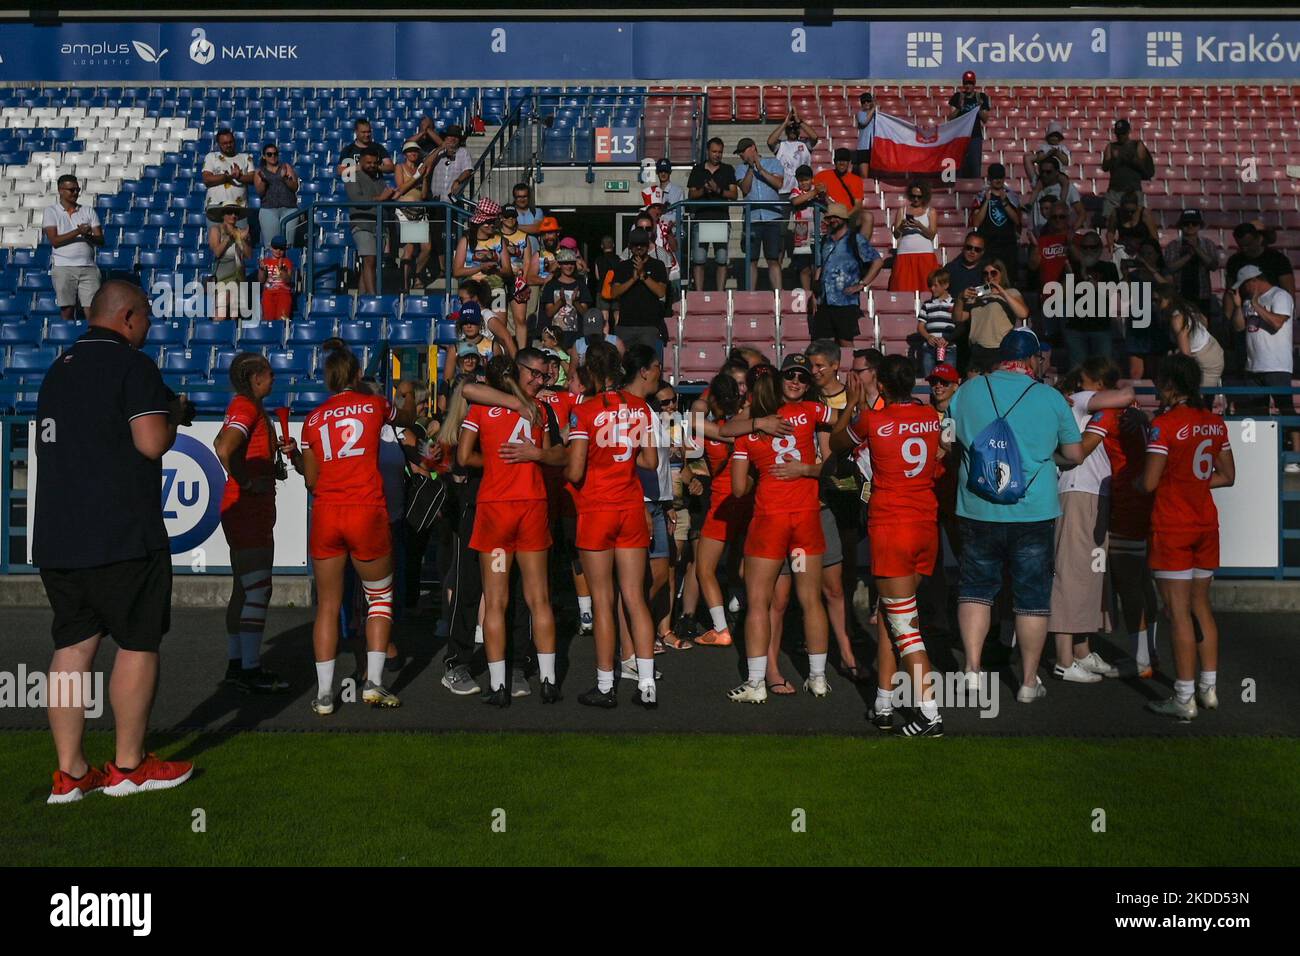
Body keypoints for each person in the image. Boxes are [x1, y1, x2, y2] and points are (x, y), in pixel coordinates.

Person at [34, 280, 196, 802]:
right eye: (145, 316)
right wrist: (172, 416)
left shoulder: (56, 370)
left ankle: (71, 773)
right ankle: (128, 766)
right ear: (126, 317)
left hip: (59, 536)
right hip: (123, 532)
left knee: (71, 649)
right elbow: (151, 444)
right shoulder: (133, 366)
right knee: (137, 641)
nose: (148, 325)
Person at [945, 327, 1083, 704]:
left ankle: (972, 671)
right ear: (1033, 359)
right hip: (1032, 510)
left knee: (975, 590)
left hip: (977, 507)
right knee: (1032, 597)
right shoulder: (1050, 398)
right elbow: (1073, 454)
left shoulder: (968, 390)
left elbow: (948, 439)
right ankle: (1026, 680)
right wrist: (1041, 459)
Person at [832, 354, 946, 736]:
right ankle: (884, 699)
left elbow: (835, 443)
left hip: (892, 525)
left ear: (881, 384)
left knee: (903, 624)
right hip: (925, 523)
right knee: (890, 613)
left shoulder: (873, 420)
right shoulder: (931, 415)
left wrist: (852, 403)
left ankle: (930, 712)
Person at [300, 344, 416, 715]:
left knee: (328, 606)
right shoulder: (375, 405)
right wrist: (406, 391)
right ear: (356, 375)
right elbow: (408, 419)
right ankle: (374, 684)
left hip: (328, 512)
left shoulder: (313, 419)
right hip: (366, 509)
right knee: (379, 598)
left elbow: (312, 480)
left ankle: (322, 695)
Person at [721, 355, 838, 702]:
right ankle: (817, 678)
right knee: (811, 600)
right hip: (804, 518)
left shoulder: (749, 430)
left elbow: (739, 488)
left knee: (758, 603)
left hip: (770, 520)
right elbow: (842, 429)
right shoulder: (810, 413)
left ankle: (756, 683)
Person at [458, 351, 562, 705]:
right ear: (517, 372)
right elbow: (557, 455)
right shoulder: (537, 410)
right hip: (531, 506)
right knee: (539, 598)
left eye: (542, 375)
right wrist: (536, 456)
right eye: (534, 373)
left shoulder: (482, 408)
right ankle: (548, 681)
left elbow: (462, 455)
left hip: (496, 510)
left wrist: (495, 462)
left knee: (497, 601)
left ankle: (499, 686)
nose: (539, 379)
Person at [1135, 354, 1234, 720]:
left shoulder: (1165, 425)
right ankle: (1208, 689)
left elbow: (1148, 482)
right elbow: (1228, 475)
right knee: (1201, 608)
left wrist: (1133, 482)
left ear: (1171, 385)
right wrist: (1193, 484)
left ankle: (1183, 696)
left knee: (1177, 613)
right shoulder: (1213, 422)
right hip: (1205, 521)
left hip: (1173, 525)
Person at [566, 341, 660, 709]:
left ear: (590, 371)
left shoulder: (585, 411)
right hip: (630, 507)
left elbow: (574, 470)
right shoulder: (641, 407)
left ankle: (606, 686)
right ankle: (648, 682)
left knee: (603, 602)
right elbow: (650, 461)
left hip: (596, 510)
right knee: (636, 598)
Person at [214, 353, 302, 694]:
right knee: (258, 589)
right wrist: (248, 482)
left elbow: (219, 443)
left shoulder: (243, 406)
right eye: (269, 372)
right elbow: (224, 448)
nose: (274, 377)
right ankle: (249, 668)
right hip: (248, 509)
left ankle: (238, 665)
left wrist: (264, 467)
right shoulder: (247, 407)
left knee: (244, 588)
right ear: (255, 378)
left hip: (244, 508)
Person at [1046, 358, 1134, 685]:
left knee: (1089, 575)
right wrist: (1115, 390)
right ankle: (1064, 658)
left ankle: (1080, 651)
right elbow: (1126, 395)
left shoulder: (1074, 403)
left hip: (1090, 492)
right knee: (1071, 574)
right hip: (1078, 491)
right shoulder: (1080, 399)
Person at [692, 372, 751, 648]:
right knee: (741, 557)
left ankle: (720, 628)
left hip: (722, 503)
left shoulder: (707, 428)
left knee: (704, 567)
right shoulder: (748, 426)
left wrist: (706, 398)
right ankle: (740, 603)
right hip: (748, 499)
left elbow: (696, 414)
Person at [1227, 264, 1299, 470]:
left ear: (1254, 281)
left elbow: (1277, 323)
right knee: (1256, 411)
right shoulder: (1249, 301)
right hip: (1254, 365)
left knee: (1286, 409)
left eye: (1245, 286)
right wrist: (1240, 305)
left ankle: (1294, 457)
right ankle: (1258, 454)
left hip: (1276, 364)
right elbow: (1239, 327)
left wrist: (1257, 306)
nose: (1244, 290)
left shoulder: (1280, 296)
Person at [811, 202, 882, 347]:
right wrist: (814, 293)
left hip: (845, 300)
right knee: (824, 343)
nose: (833, 220)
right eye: (830, 217)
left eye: (836, 217)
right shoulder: (826, 240)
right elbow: (820, 267)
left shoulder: (855, 239)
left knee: (846, 342)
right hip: (824, 300)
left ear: (844, 218)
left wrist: (862, 284)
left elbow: (877, 261)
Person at [43, 175, 103, 321]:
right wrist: (78, 232)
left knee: (93, 310)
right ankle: (67, 341)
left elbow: (100, 240)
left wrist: (88, 235)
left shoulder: (88, 211)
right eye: (71, 190)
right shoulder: (51, 211)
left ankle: (91, 341)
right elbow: (54, 241)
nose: (75, 193)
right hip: (64, 267)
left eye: (77, 189)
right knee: (67, 309)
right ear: (60, 191)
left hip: (88, 267)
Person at [953, 259, 1029, 371]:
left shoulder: (1011, 292)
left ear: (1001, 274)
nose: (989, 277)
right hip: (977, 349)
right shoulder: (976, 297)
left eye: (993, 273)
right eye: (985, 274)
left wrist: (1002, 292)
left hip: (998, 349)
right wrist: (960, 299)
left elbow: (1023, 313)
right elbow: (958, 318)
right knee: (975, 386)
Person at [686, 137, 739, 292]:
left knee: (722, 260)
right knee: (699, 259)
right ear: (708, 151)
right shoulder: (698, 169)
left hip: (721, 219)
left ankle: (721, 293)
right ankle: (699, 294)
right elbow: (691, 194)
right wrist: (703, 190)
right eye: (714, 151)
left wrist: (718, 190)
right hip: (701, 219)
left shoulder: (728, 169)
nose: (717, 155)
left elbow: (734, 194)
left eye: (720, 152)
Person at [734, 137, 786, 292]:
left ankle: (778, 296)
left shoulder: (773, 163)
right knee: (752, 259)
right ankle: (750, 296)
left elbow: (778, 184)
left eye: (743, 151)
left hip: (773, 217)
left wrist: (760, 169)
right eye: (740, 153)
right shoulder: (740, 169)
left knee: (773, 259)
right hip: (752, 219)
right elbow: (745, 189)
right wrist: (751, 169)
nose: (741, 155)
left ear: (753, 148)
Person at [344, 146, 398, 296]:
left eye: (375, 163)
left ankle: (362, 299)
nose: (372, 166)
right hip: (362, 224)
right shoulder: (351, 175)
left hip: (379, 224)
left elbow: (384, 196)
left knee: (370, 264)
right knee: (370, 260)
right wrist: (381, 198)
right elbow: (356, 200)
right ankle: (374, 297)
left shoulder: (379, 176)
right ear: (360, 161)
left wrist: (391, 196)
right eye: (368, 162)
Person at [609, 227, 670, 359]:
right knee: (623, 364)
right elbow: (614, 293)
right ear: (630, 247)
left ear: (648, 245)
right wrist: (633, 279)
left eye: (642, 244)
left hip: (648, 326)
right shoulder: (622, 266)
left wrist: (644, 276)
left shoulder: (658, 265)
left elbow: (660, 292)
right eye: (635, 244)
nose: (639, 247)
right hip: (625, 325)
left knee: (646, 363)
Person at [1160, 289, 1224, 388]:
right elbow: (1205, 322)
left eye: (1157, 300)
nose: (1153, 303)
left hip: (1206, 361)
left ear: (1169, 300)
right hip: (1212, 349)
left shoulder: (1177, 319)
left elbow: (1186, 357)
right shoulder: (1185, 308)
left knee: (1194, 396)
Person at [393, 140, 435, 291]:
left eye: (415, 151)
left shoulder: (421, 170)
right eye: (410, 151)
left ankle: (416, 274)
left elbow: (423, 195)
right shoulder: (399, 167)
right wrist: (418, 175)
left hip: (419, 211)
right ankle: (405, 285)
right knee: (409, 249)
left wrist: (424, 178)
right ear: (405, 154)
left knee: (427, 248)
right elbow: (401, 188)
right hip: (405, 211)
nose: (413, 153)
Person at [1162, 209, 1221, 317]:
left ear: (1199, 226)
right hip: (1180, 295)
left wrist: (1197, 249)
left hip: (1202, 296)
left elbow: (1213, 266)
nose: (1190, 226)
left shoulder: (1208, 244)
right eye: (1186, 223)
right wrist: (1188, 256)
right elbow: (1169, 267)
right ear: (1181, 226)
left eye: (1194, 223)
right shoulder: (1173, 245)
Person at [971, 163, 1021, 284]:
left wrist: (1004, 202)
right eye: (994, 177)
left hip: (1008, 246)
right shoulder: (980, 197)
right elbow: (976, 222)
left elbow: (1017, 220)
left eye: (1000, 177)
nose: (997, 180)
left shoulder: (1012, 196)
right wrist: (987, 201)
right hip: (988, 245)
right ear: (989, 179)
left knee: (1009, 280)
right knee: (987, 279)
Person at [889, 179, 940, 292]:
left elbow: (932, 235)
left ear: (924, 196)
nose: (916, 199)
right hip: (904, 253)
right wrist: (902, 226)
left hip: (925, 254)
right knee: (903, 288)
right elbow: (896, 235)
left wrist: (919, 225)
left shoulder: (930, 211)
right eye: (913, 196)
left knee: (926, 288)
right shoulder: (902, 211)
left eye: (919, 196)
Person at [1100, 119, 1155, 220]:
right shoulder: (1111, 146)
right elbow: (1105, 167)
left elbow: (1143, 166)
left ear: (1129, 132)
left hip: (1133, 192)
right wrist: (1114, 159)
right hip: (1114, 191)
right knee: (1109, 220)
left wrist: (1129, 158)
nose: (1121, 136)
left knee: (1135, 222)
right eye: (1118, 134)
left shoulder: (1137, 145)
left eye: (1123, 133)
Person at [541, 247, 595, 349]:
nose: (569, 266)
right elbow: (549, 313)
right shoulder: (551, 286)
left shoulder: (581, 285)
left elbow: (585, 314)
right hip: (555, 338)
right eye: (565, 263)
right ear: (559, 265)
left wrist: (575, 302)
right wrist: (560, 302)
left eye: (571, 263)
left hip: (576, 337)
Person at [207, 204, 252, 320]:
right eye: (229, 212)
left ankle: (230, 335)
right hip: (222, 274)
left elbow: (249, 255)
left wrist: (241, 240)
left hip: (238, 275)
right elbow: (217, 253)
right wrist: (229, 239)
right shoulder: (215, 230)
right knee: (221, 311)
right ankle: (214, 332)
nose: (233, 215)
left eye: (236, 213)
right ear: (223, 215)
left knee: (234, 313)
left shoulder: (241, 232)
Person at [253, 142, 300, 248]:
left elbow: (294, 187)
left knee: (288, 244)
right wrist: (264, 181)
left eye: (275, 154)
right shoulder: (259, 172)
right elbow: (260, 192)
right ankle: (272, 265)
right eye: (269, 154)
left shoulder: (286, 167)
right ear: (264, 156)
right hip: (269, 209)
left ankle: (287, 264)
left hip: (289, 208)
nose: (272, 156)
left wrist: (285, 178)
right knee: (271, 245)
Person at [948, 71, 991, 179]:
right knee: (959, 166)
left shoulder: (981, 97)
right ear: (963, 83)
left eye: (970, 83)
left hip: (975, 136)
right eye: (966, 83)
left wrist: (980, 107)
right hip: (960, 136)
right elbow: (951, 118)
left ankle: (974, 190)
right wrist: (959, 107)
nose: (968, 86)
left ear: (974, 84)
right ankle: (958, 190)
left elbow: (985, 119)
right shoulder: (957, 97)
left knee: (975, 166)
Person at [202, 127, 254, 214]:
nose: (228, 145)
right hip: (216, 206)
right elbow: (207, 179)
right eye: (224, 143)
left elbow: (252, 178)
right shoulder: (211, 157)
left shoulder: (246, 157)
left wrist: (239, 177)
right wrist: (226, 177)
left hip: (239, 207)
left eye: (231, 142)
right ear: (218, 144)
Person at [767, 108, 819, 194]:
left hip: (802, 189)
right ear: (786, 131)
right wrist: (784, 123)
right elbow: (770, 141)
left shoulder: (805, 144)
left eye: (795, 129)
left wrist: (799, 122)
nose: (792, 131)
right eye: (790, 129)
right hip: (784, 189)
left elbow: (814, 137)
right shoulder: (781, 145)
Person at [916, 267, 955, 378]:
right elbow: (920, 326)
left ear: (946, 285)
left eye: (935, 285)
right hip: (930, 348)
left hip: (948, 347)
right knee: (929, 377)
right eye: (930, 286)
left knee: (948, 377)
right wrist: (928, 337)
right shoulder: (927, 304)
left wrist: (949, 338)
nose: (932, 289)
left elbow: (959, 326)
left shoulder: (955, 303)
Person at [813, 147, 866, 221]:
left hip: (848, 216)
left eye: (845, 160)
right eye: (839, 160)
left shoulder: (856, 180)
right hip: (828, 214)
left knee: (868, 217)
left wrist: (845, 217)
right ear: (834, 161)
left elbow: (858, 205)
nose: (842, 163)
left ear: (849, 162)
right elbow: (814, 195)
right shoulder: (821, 176)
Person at [1104, 190, 1159, 255]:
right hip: (1123, 248)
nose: (1129, 214)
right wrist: (1111, 246)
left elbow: (1154, 237)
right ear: (1121, 207)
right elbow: (1110, 232)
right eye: (1126, 211)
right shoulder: (1116, 213)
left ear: (1137, 206)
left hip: (1142, 249)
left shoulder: (1145, 214)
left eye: (1132, 211)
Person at [1024, 119, 1073, 186]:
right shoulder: (1044, 147)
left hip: (1058, 177)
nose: (1054, 138)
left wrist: (1057, 154)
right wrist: (1048, 154)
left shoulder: (1062, 148)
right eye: (1052, 136)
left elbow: (1066, 161)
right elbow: (1039, 158)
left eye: (1056, 136)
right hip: (1044, 177)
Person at [257, 236, 294, 321]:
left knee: (282, 320)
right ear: (271, 247)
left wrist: (281, 270)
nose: (278, 251)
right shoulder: (265, 262)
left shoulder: (287, 262)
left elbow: (287, 280)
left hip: (283, 294)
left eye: (281, 249)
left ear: (285, 249)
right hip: (268, 294)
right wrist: (262, 269)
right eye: (275, 248)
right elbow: (261, 280)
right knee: (269, 321)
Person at [854, 90, 876, 179]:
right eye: (863, 101)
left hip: (875, 147)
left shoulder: (878, 116)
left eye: (868, 101)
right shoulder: (860, 114)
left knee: (874, 175)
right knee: (864, 175)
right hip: (863, 148)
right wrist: (873, 108)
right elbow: (864, 122)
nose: (866, 103)